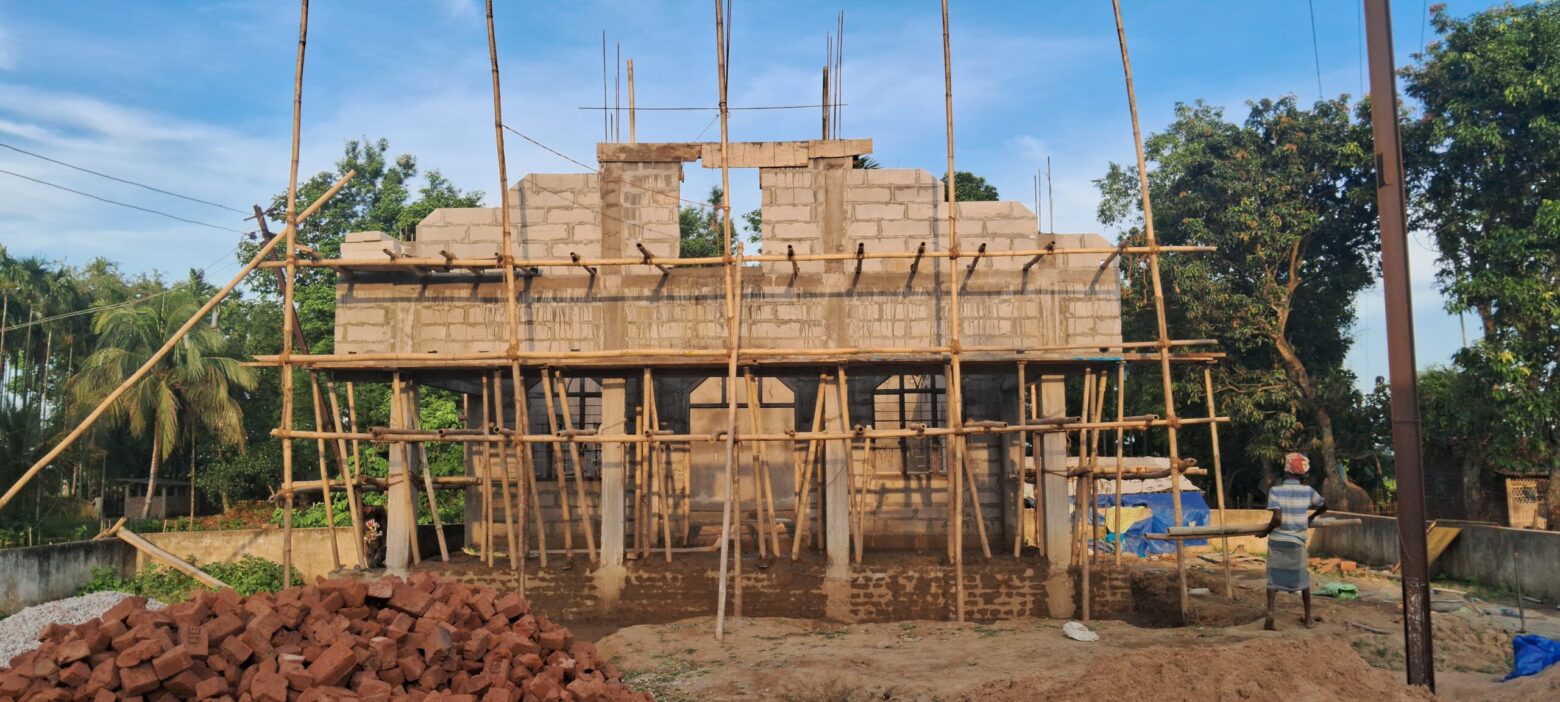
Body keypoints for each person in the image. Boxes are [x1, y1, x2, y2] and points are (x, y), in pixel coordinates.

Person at [1263, 452, 1327, 630]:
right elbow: (1323, 505)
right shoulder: (1308, 491)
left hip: (1277, 540)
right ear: (1302, 473)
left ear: (1286, 470)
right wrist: (1310, 517)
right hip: (1297, 541)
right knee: (1303, 581)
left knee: (1273, 579)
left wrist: (1264, 533)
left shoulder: (1275, 490)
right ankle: (1308, 619)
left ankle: (1270, 612)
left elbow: (1276, 519)